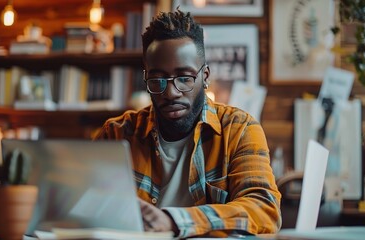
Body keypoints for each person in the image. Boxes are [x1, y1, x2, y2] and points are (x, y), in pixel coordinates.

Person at [93, 9, 281, 238]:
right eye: (157, 79)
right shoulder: (116, 133)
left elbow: (264, 209)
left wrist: (174, 221)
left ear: (206, 77)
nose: (171, 92)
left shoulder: (239, 128)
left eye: (184, 78)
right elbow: (89, 208)